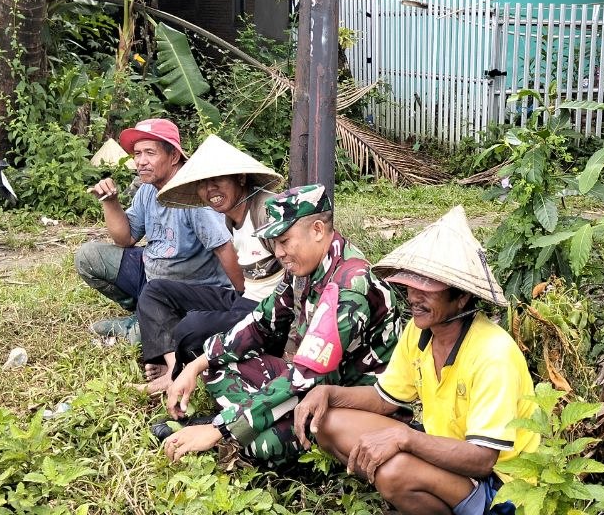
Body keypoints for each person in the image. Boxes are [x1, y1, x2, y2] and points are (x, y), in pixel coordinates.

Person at [291, 206, 537, 515]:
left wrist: (405, 438)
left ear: (461, 297)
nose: (413, 297)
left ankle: (413, 492)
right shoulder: (419, 332)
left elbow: (482, 459)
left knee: (394, 473)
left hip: (501, 486)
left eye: (428, 288)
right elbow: (384, 399)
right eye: (411, 285)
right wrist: (327, 393)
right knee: (326, 421)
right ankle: (410, 491)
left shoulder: (493, 354)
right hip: (447, 452)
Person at [159, 184, 403, 467]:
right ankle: (239, 421)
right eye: (274, 242)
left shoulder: (349, 286)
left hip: (350, 406)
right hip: (311, 388)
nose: (278, 253)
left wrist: (219, 429)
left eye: (284, 241)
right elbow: (259, 324)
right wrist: (194, 366)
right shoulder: (303, 269)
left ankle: (223, 430)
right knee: (215, 368)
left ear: (317, 230)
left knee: (259, 445)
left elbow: (304, 377)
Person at [135, 134, 285, 394]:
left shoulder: (267, 213)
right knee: (155, 291)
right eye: (203, 184)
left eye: (218, 180)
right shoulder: (231, 217)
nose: (210, 190)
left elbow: (300, 279)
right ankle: (173, 370)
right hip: (247, 297)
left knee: (190, 328)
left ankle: (179, 373)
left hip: (272, 313)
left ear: (240, 178)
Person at [75, 118, 243, 341]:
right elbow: (126, 238)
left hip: (188, 291)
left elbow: (225, 248)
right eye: (137, 153)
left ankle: (145, 322)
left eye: (150, 153)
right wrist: (110, 201)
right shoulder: (148, 188)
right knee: (88, 256)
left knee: (143, 340)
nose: (141, 161)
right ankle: (142, 312)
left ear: (173, 156)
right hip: (151, 276)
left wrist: (244, 303)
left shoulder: (193, 194)